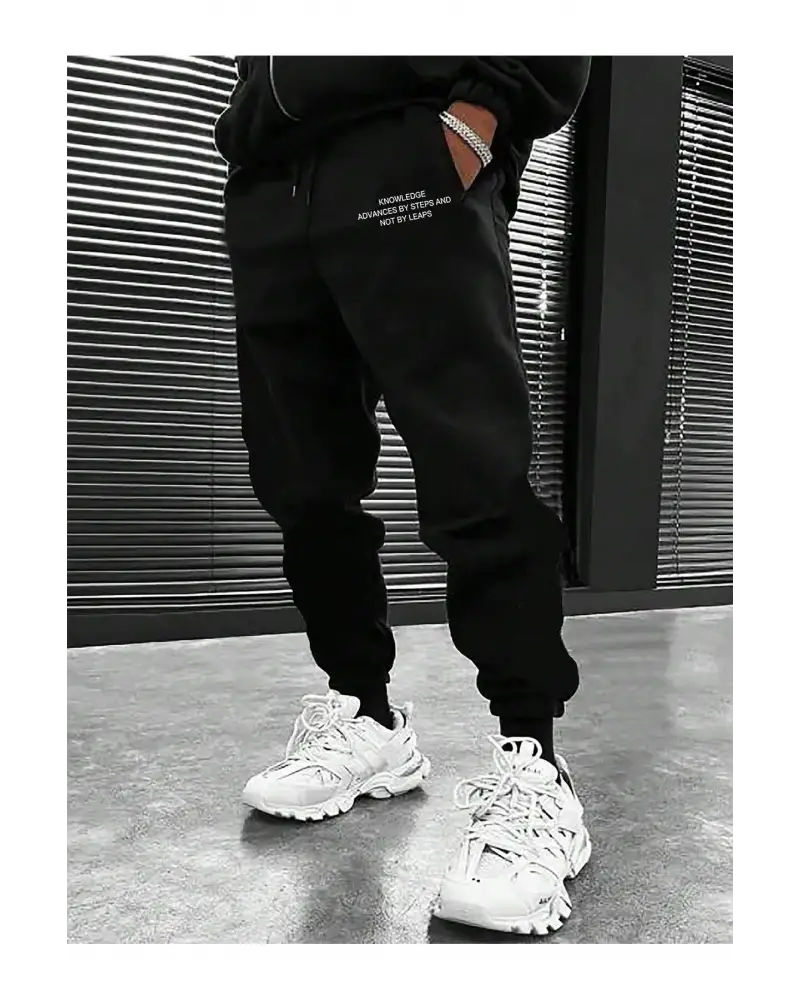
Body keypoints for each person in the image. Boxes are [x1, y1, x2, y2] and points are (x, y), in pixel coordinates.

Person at [215, 55, 593, 936]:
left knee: (474, 470)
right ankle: (369, 718)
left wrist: (478, 116)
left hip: (406, 154)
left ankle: (537, 765)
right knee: (302, 481)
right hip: (273, 182)